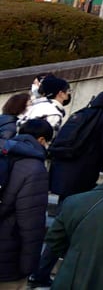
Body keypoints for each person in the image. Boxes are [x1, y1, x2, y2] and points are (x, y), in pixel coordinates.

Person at [30, 81, 103, 288]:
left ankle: (41, 272)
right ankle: (43, 271)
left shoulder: (93, 107)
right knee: (67, 224)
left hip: (65, 172)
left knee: (64, 221)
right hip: (81, 175)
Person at [41, 155, 103, 290]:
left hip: (66, 278)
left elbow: (54, 240)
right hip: (101, 281)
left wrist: (73, 257)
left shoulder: (72, 201)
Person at [0, 119, 53, 290]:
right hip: (8, 260)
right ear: (41, 141)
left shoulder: (3, 151)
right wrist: (28, 267)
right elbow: (31, 225)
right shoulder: (34, 168)